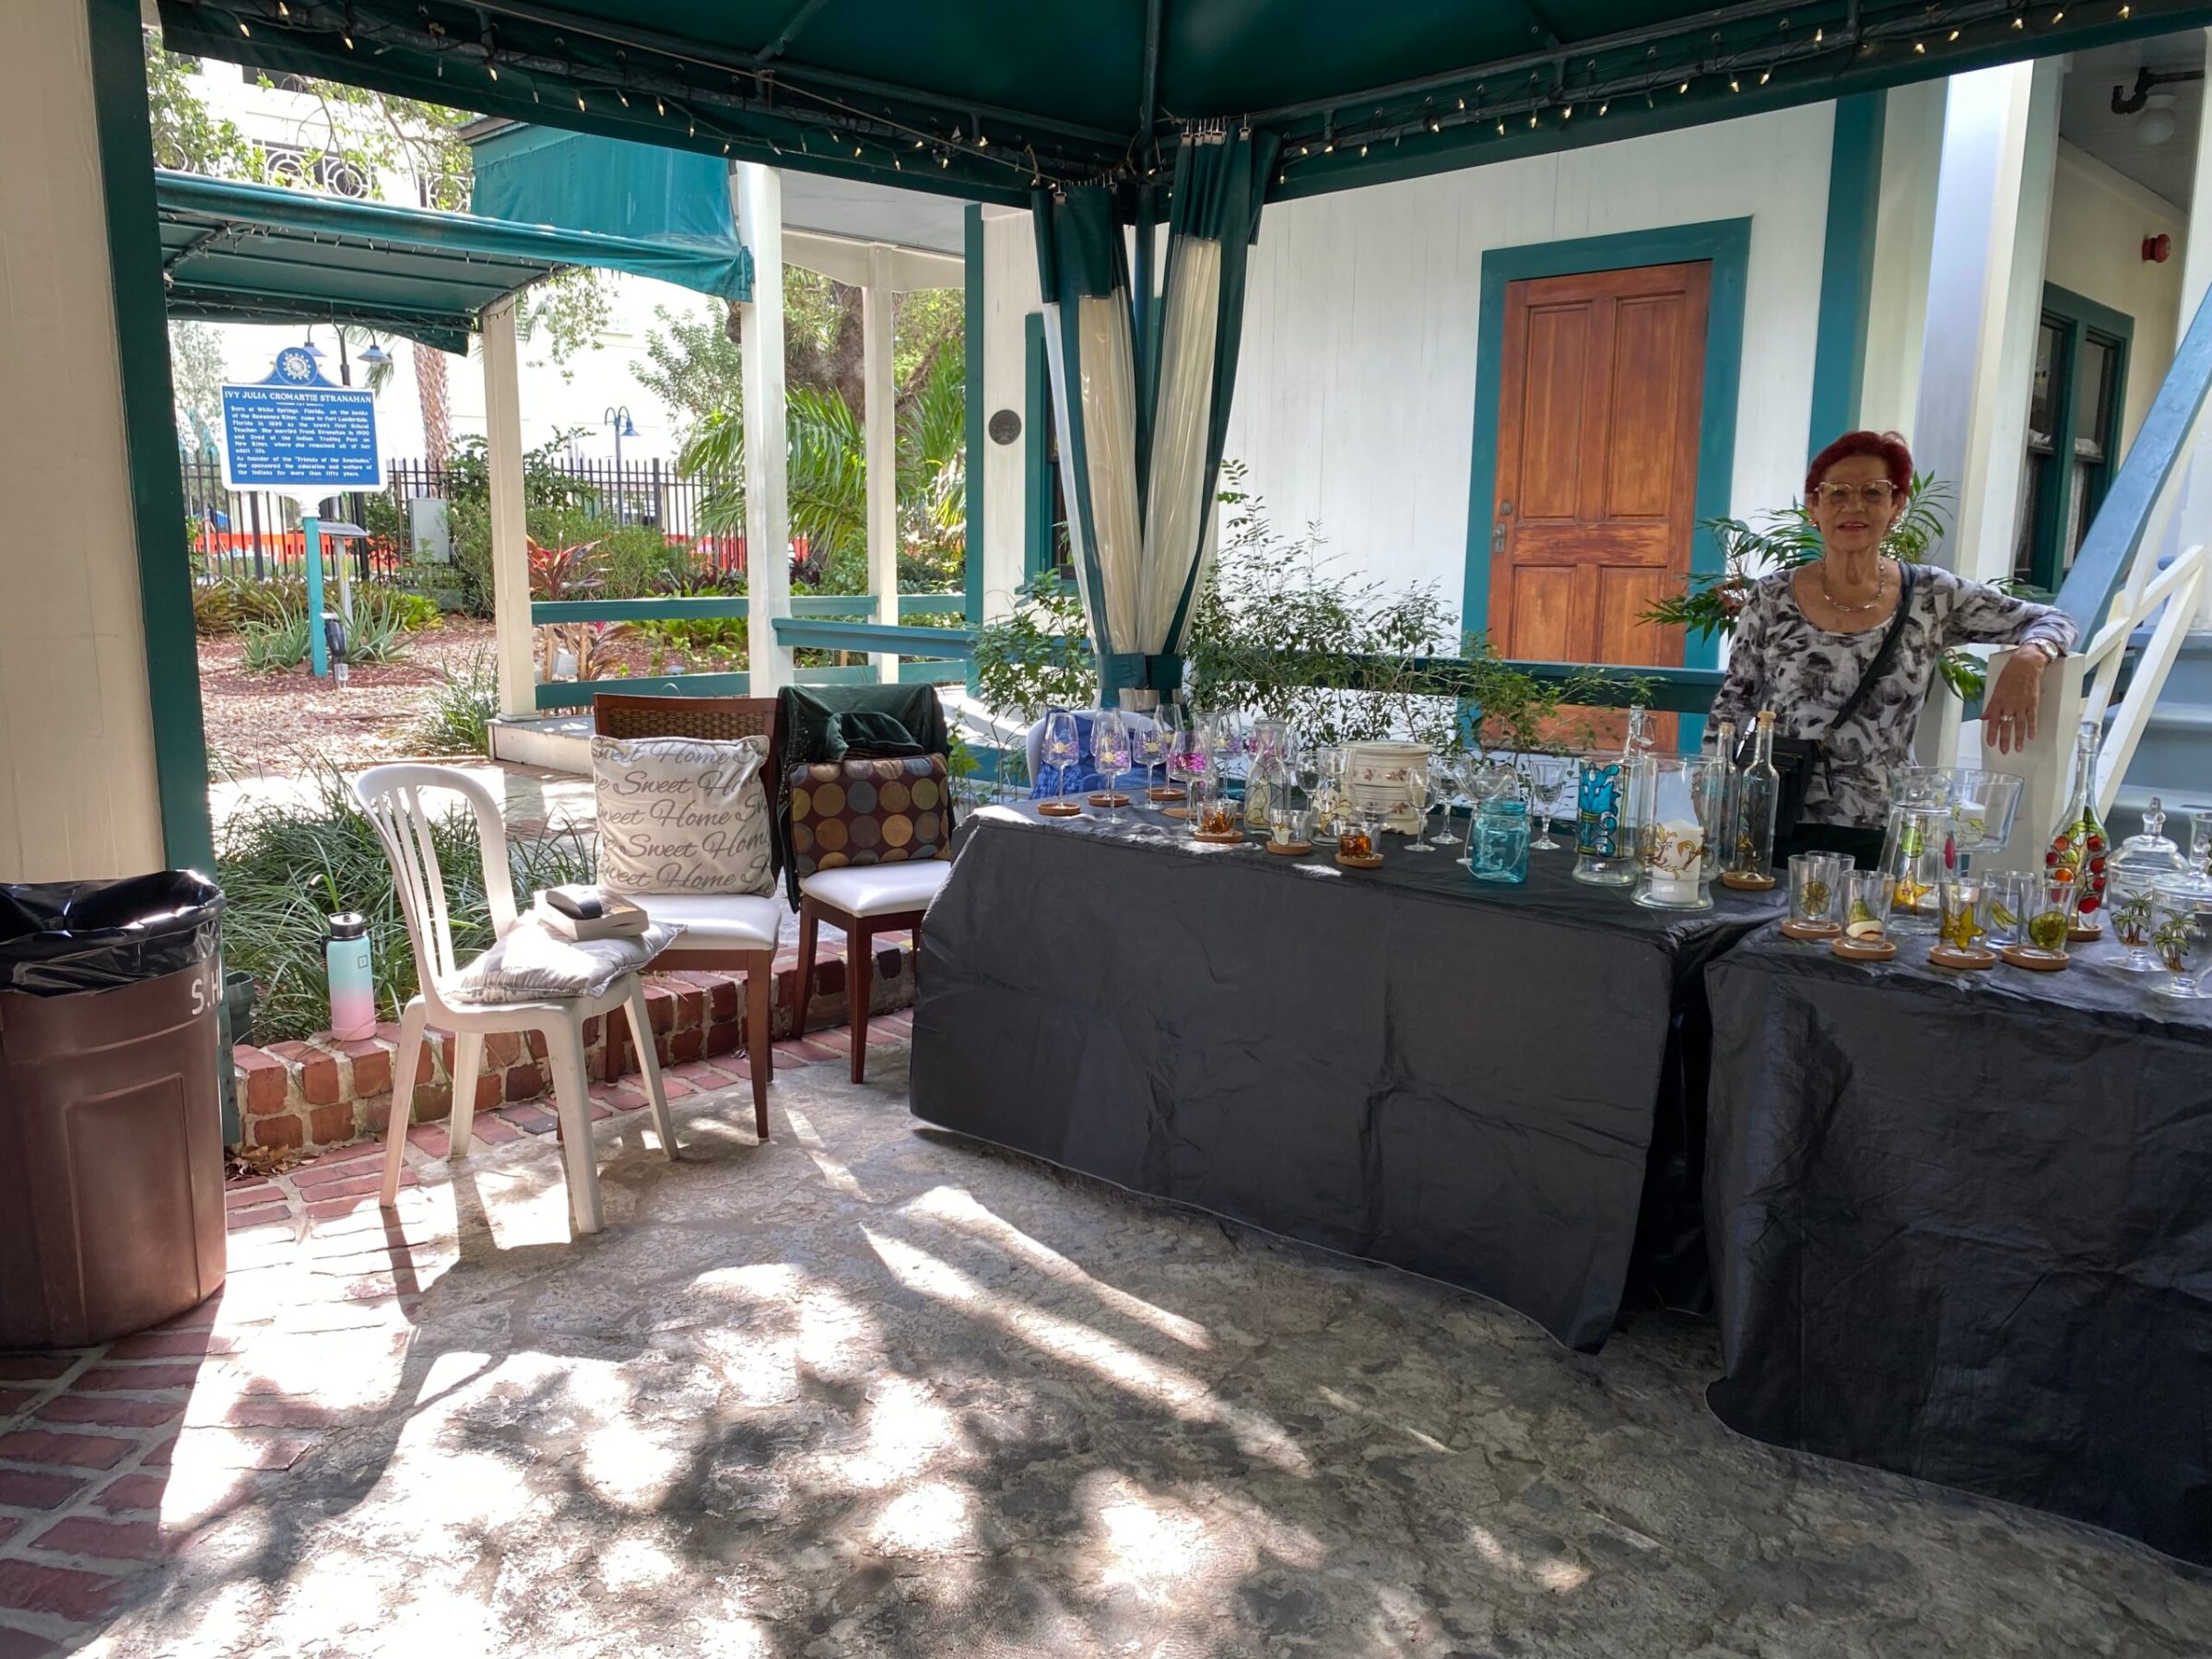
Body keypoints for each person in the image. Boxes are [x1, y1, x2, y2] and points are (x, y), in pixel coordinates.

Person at [1708, 429, 2077, 867]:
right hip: (1774, 816)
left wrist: (2032, 655)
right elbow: (1735, 699)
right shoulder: (1773, 596)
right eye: (1837, 493)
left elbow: (2055, 619)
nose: (1854, 506)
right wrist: (1712, 793)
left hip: (1883, 821)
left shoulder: (1931, 594)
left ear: (1896, 505)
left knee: (1869, 931)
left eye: (1873, 492)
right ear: (1814, 506)